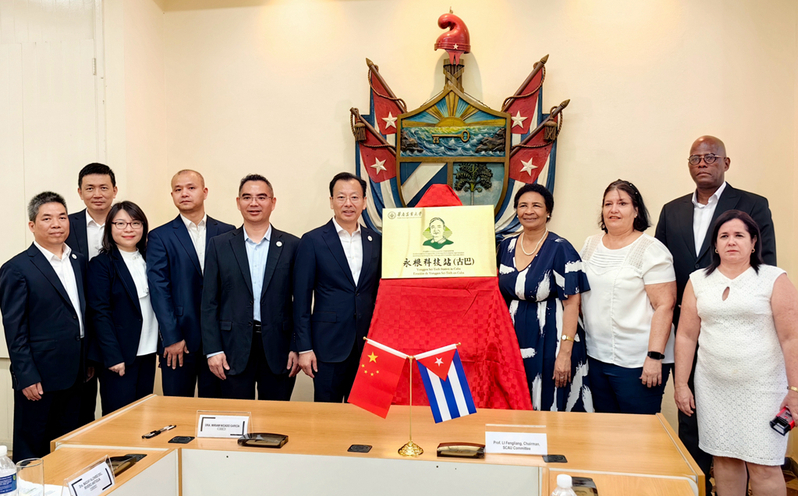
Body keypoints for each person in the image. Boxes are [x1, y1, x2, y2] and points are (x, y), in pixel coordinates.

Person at [655, 135, 776, 490]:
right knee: (690, 414)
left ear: (726, 163)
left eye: (710, 157)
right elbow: (661, 268)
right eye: (696, 158)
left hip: (741, 336)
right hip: (687, 331)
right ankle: (697, 486)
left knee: (751, 439)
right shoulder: (672, 210)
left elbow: (766, 264)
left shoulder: (753, 204)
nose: (703, 163)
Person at [674, 210, 797, 496]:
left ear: (753, 243)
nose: (731, 241)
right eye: (724, 236)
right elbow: (686, 336)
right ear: (715, 245)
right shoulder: (697, 280)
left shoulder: (774, 278)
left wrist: (795, 389)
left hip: (763, 390)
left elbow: (792, 338)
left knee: (764, 465)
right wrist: (681, 384)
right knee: (724, 460)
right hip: (713, 387)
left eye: (739, 235)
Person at [0, 192, 87, 461]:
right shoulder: (17, 268)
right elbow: (14, 329)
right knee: (33, 446)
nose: (56, 224)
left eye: (62, 217)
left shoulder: (78, 261)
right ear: (32, 225)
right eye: (47, 218)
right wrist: (26, 375)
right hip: (39, 375)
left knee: (70, 444)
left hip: (76, 371)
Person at [580, 180, 676, 414]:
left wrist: (654, 357)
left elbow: (665, 305)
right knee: (603, 429)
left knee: (637, 431)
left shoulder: (651, 249)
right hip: (596, 357)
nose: (614, 209)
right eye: (608, 204)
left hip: (638, 362)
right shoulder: (590, 245)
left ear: (636, 211)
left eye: (622, 203)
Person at [201, 175, 300, 400]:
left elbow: (300, 302)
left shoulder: (293, 245)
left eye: (261, 197)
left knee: (275, 417)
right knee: (236, 415)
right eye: (247, 197)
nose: (254, 203)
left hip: (280, 348)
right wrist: (213, 350)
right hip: (231, 348)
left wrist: (297, 345)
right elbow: (209, 302)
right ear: (238, 203)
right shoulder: (219, 245)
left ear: (273, 202)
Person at [497, 184, 592, 411]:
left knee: (551, 401)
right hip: (513, 337)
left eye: (536, 206)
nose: (529, 211)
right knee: (516, 400)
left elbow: (572, 304)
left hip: (552, 337)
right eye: (523, 205)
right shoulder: (505, 246)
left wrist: (565, 353)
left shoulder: (560, 248)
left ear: (548, 211)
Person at [294, 172, 382, 402]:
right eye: (341, 197)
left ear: (364, 202)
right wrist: (304, 348)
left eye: (354, 197)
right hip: (327, 346)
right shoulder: (313, 241)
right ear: (331, 201)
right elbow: (301, 300)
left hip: (368, 347)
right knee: (327, 414)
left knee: (363, 412)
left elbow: (380, 294)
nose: (348, 203)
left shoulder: (376, 241)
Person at [147, 170, 235, 398]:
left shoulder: (228, 232)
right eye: (178, 189)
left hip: (220, 339)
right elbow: (159, 290)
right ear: (172, 195)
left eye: (191, 188)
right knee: (176, 407)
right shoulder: (159, 236)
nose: (184, 193)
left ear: (205, 192)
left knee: (217, 408)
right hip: (179, 340)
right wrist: (171, 336)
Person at [87, 202, 157, 414]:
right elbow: (100, 313)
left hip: (148, 350)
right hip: (120, 356)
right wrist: (113, 356)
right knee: (120, 417)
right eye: (121, 223)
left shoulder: (151, 258)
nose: (129, 229)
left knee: (144, 414)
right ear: (110, 227)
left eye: (135, 223)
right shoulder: (101, 264)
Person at [65, 163, 118, 425]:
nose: (97, 194)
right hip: (79, 329)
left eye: (103, 187)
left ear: (114, 190)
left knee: (118, 405)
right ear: (80, 192)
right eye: (90, 188)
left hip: (116, 328)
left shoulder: (127, 222)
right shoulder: (66, 225)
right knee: (79, 408)